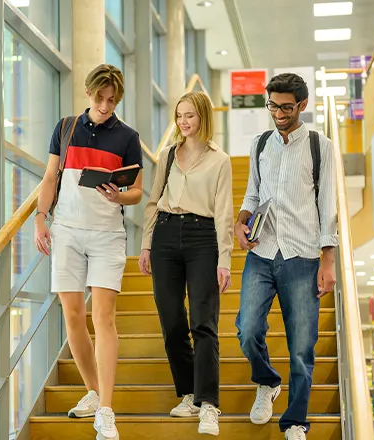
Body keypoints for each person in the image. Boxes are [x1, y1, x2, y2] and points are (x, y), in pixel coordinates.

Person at [34, 63, 143, 440]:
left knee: (104, 317)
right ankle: (94, 393)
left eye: (112, 100)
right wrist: (39, 218)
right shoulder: (65, 128)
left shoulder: (127, 136)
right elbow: (50, 178)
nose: (105, 105)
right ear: (88, 92)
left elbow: (137, 191)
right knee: (73, 315)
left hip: (107, 235)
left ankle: (107, 410)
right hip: (65, 231)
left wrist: (119, 193)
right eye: (100, 98)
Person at [233, 73, 338, 440]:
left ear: (303, 106)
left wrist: (328, 261)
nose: (278, 112)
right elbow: (252, 193)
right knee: (247, 330)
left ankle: (295, 421)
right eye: (273, 105)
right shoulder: (260, 143)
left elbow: (328, 204)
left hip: (303, 255)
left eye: (286, 107)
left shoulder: (319, 146)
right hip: (262, 251)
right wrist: (241, 220)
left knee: (301, 347)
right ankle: (267, 381)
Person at [138, 91, 234, 437]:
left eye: (189, 115)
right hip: (165, 234)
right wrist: (147, 244)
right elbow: (152, 203)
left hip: (202, 237)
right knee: (172, 320)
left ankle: (209, 404)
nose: (183, 122)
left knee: (204, 322)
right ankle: (189, 393)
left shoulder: (220, 160)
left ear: (203, 117)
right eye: (179, 116)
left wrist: (225, 259)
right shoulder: (167, 155)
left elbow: (224, 214)